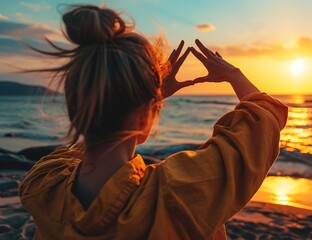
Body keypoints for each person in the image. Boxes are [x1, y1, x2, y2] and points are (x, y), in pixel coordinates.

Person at [19, 5, 288, 240]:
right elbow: (263, 120)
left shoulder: (44, 183)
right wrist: (234, 75)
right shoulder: (174, 195)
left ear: (76, 110)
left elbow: (85, 146)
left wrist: (150, 98)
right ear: (147, 112)